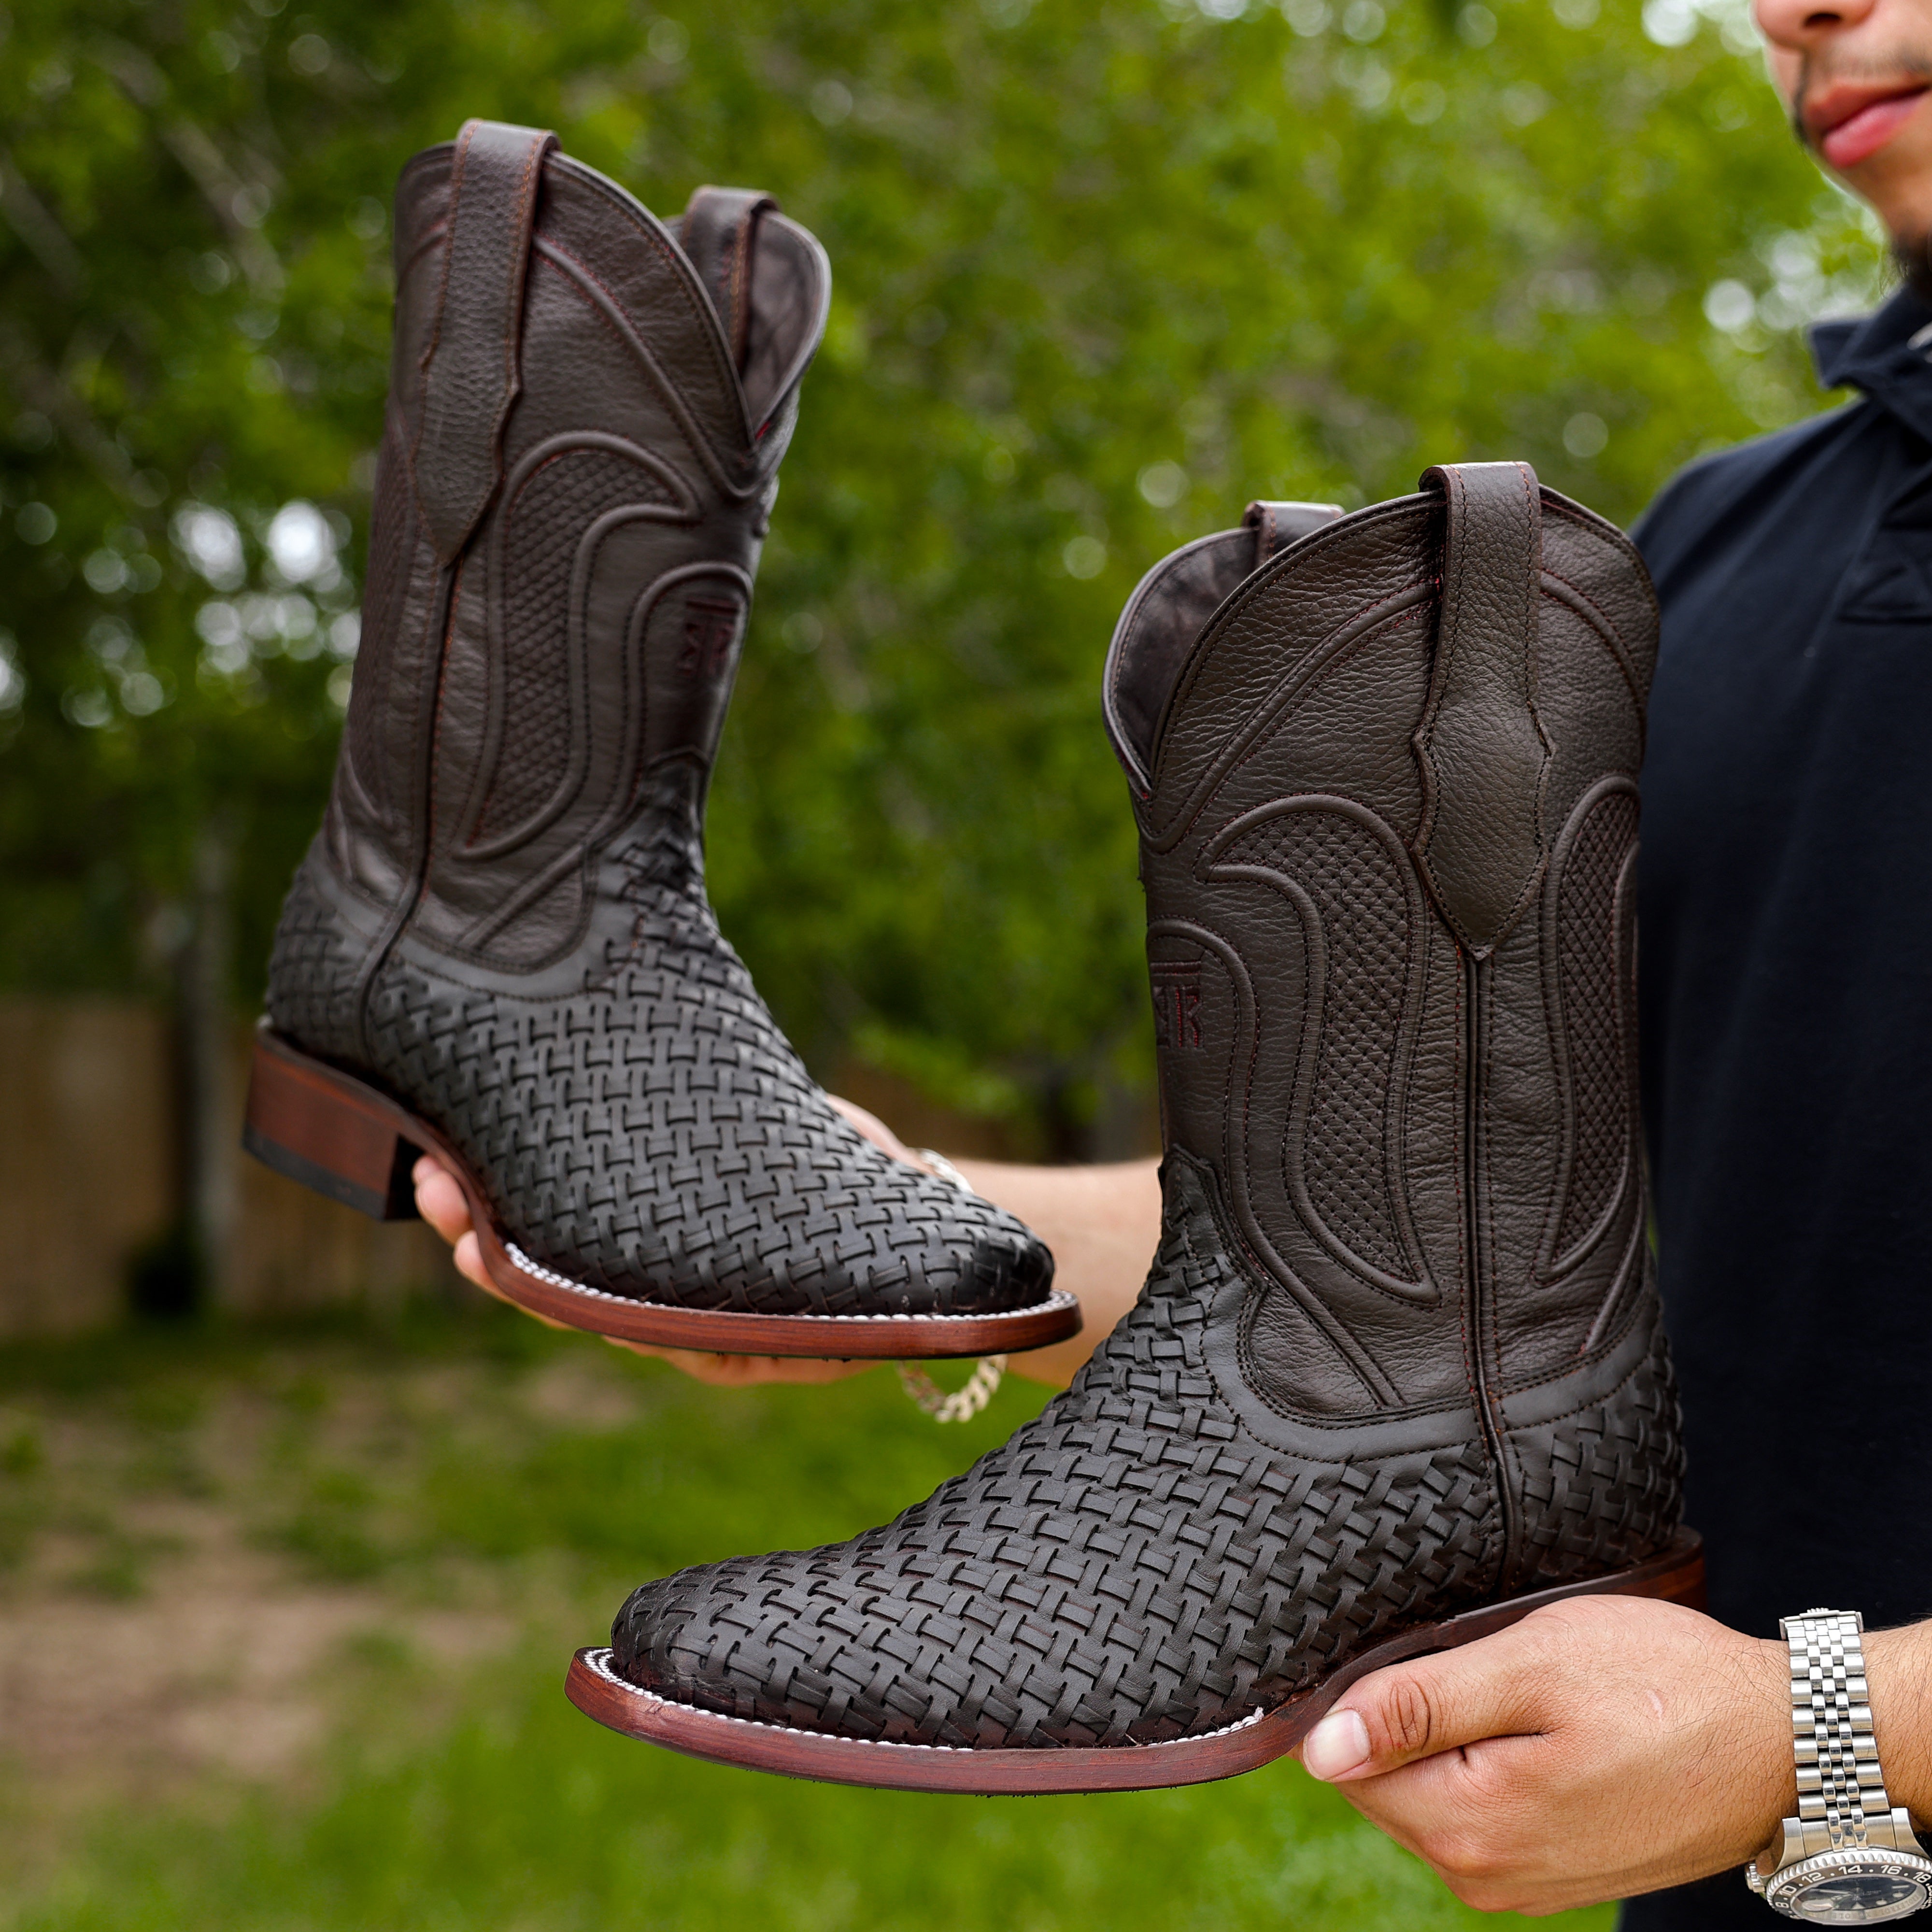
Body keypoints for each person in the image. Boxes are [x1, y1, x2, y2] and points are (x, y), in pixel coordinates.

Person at [412, 0, 1932, 1913]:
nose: (1796, 7)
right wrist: (893, 1233)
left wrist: (1817, 1730)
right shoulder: (1725, 557)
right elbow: (1436, 1229)